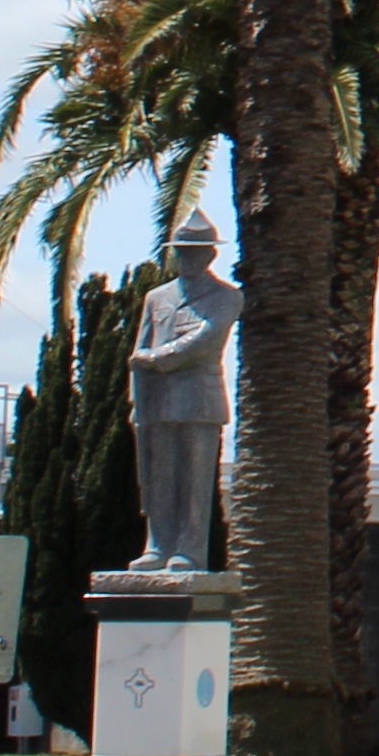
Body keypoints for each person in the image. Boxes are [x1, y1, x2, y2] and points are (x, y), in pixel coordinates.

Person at [128, 216, 241, 577]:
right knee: (159, 478)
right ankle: (157, 546)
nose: (187, 259)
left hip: (199, 400)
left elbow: (206, 339)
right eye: (181, 252)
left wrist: (157, 359)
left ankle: (189, 551)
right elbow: (138, 350)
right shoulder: (156, 297)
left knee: (194, 480)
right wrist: (138, 402)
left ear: (210, 255)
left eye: (194, 252)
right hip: (157, 403)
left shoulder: (226, 296)